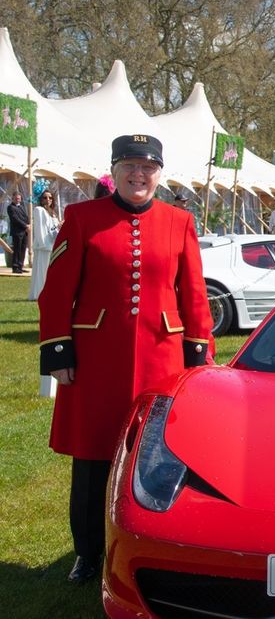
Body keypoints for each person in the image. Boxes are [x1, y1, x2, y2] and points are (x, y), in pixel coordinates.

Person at [38, 134, 213, 585]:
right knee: (93, 460)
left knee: (158, 458)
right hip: (96, 362)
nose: (139, 175)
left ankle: (162, 547)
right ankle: (88, 553)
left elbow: (194, 296)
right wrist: (59, 351)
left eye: (148, 167)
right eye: (130, 166)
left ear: (160, 172)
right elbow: (57, 292)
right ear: (113, 171)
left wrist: (199, 356)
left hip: (163, 360)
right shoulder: (81, 219)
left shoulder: (180, 221)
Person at [28, 188, 60, 300]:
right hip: (43, 246)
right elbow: (40, 228)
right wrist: (43, 244)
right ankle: (39, 293)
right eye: (45, 197)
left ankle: (48, 292)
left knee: (49, 271)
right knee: (41, 270)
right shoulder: (39, 210)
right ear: (41, 199)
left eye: (50, 197)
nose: (48, 200)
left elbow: (54, 231)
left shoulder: (53, 214)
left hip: (51, 245)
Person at [6, 191, 28, 273]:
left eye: (19, 198)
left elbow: (25, 217)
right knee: (17, 249)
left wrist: (28, 224)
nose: (17, 200)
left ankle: (20, 266)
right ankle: (15, 267)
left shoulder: (21, 207)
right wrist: (25, 225)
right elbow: (15, 219)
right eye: (16, 198)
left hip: (24, 232)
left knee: (23, 249)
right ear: (13, 198)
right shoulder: (10, 207)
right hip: (17, 232)